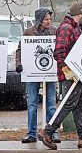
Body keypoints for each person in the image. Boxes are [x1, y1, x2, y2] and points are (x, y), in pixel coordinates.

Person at [37, 2, 82, 150]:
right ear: (79, 15)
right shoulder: (66, 28)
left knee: (80, 105)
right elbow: (59, 52)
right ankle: (47, 131)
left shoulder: (78, 28)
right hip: (70, 75)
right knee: (69, 103)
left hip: (81, 74)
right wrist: (66, 70)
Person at [15, 8, 60, 143]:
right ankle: (31, 133)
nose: (49, 22)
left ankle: (52, 132)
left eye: (50, 19)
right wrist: (18, 64)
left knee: (51, 104)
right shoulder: (28, 33)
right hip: (32, 73)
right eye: (46, 19)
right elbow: (20, 50)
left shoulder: (54, 31)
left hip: (50, 73)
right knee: (32, 103)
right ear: (40, 20)